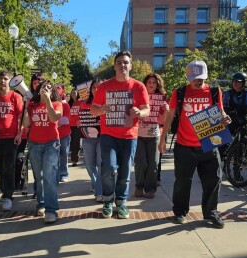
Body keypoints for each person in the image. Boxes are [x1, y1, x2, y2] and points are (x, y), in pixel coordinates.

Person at [158, 61, 231, 229]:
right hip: (184, 145)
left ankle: (211, 212)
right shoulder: (180, 92)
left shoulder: (214, 91)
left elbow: (220, 112)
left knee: (213, 180)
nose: (197, 82)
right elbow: (170, 116)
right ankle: (180, 212)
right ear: (188, 77)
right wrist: (163, 138)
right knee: (183, 181)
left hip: (209, 143)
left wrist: (225, 118)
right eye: (194, 78)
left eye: (200, 78)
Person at [91, 51, 150, 219]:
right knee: (108, 168)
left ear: (130, 65)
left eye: (125, 62)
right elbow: (93, 109)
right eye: (119, 62)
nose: (122, 65)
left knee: (124, 171)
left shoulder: (139, 86)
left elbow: (147, 110)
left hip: (129, 136)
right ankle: (108, 200)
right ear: (114, 66)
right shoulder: (104, 86)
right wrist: (101, 109)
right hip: (108, 135)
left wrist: (140, 111)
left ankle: (121, 202)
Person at [23, 79, 62, 223]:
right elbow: (26, 124)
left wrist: (48, 102)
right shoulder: (32, 105)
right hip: (34, 144)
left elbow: (53, 118)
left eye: (49, 88)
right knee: (38, 177)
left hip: (51, 144)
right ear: (38, 89)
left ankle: (51, 210)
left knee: (49, 176)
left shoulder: (57, 104)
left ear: (53, 92)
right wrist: (26, 106)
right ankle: (41, 203)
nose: (46, 89)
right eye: (43, 87)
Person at [0, 70, 24, 211]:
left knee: (9, 168)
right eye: (0, 78)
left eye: (5, 78)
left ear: (10, 81)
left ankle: (8, 196)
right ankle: (4, 191)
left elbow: (21, 117)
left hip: (10, 138)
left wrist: (20, 133)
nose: (2, 81)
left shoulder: (16, 97)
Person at [134, 73, 168, 199]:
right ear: (145, 83)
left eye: (154, 83)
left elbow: (163, 120)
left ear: (158, 84)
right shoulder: (139, 96)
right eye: (149, 82)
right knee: (140, 162)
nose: (152, 85)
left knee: (153, 163)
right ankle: (139, 186)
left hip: (155, 134)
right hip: (139, 134)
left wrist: (166, 110)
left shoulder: (162, 98)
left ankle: (150, 189)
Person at [78, 78, 103, 202]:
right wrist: (80, 122)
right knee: (89, 164)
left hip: (103, 137)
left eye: (99, 87)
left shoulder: (107, 102)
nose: (97, 89)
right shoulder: (84, 103)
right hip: (87, 137)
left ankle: (99, 190)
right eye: (94, 87)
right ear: (90, 89)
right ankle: (95, 183)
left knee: (100, 163)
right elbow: (81, 119)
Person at [57, 85, 71, 183]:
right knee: (54, 155)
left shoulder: (65, 105)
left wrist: (54, 120)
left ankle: (64, 173)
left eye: (59, 93)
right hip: (54, 135)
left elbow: (66, 120)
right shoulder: (50, 104)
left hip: (64, 134)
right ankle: (56, 175)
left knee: (64, 154)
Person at [68, 89, 82, 167]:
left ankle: (74, 160)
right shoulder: (69, 103)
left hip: (78, 125)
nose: (73, 94)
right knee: (71, 142)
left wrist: (80, 120)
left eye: (74, 93)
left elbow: (83, 112)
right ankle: (74, 156)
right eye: (72, 93)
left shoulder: (81, 102)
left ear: (77, 94)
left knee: (76, 142)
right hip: (70, 125)